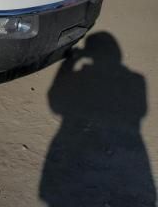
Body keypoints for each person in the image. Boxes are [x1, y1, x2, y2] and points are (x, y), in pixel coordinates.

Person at [39, 32, 156, 206]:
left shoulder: (81, 76)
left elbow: (55, 103)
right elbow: (141, 111)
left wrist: (70, 63)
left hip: (75, 142)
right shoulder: (137, 80)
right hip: (126, 147)